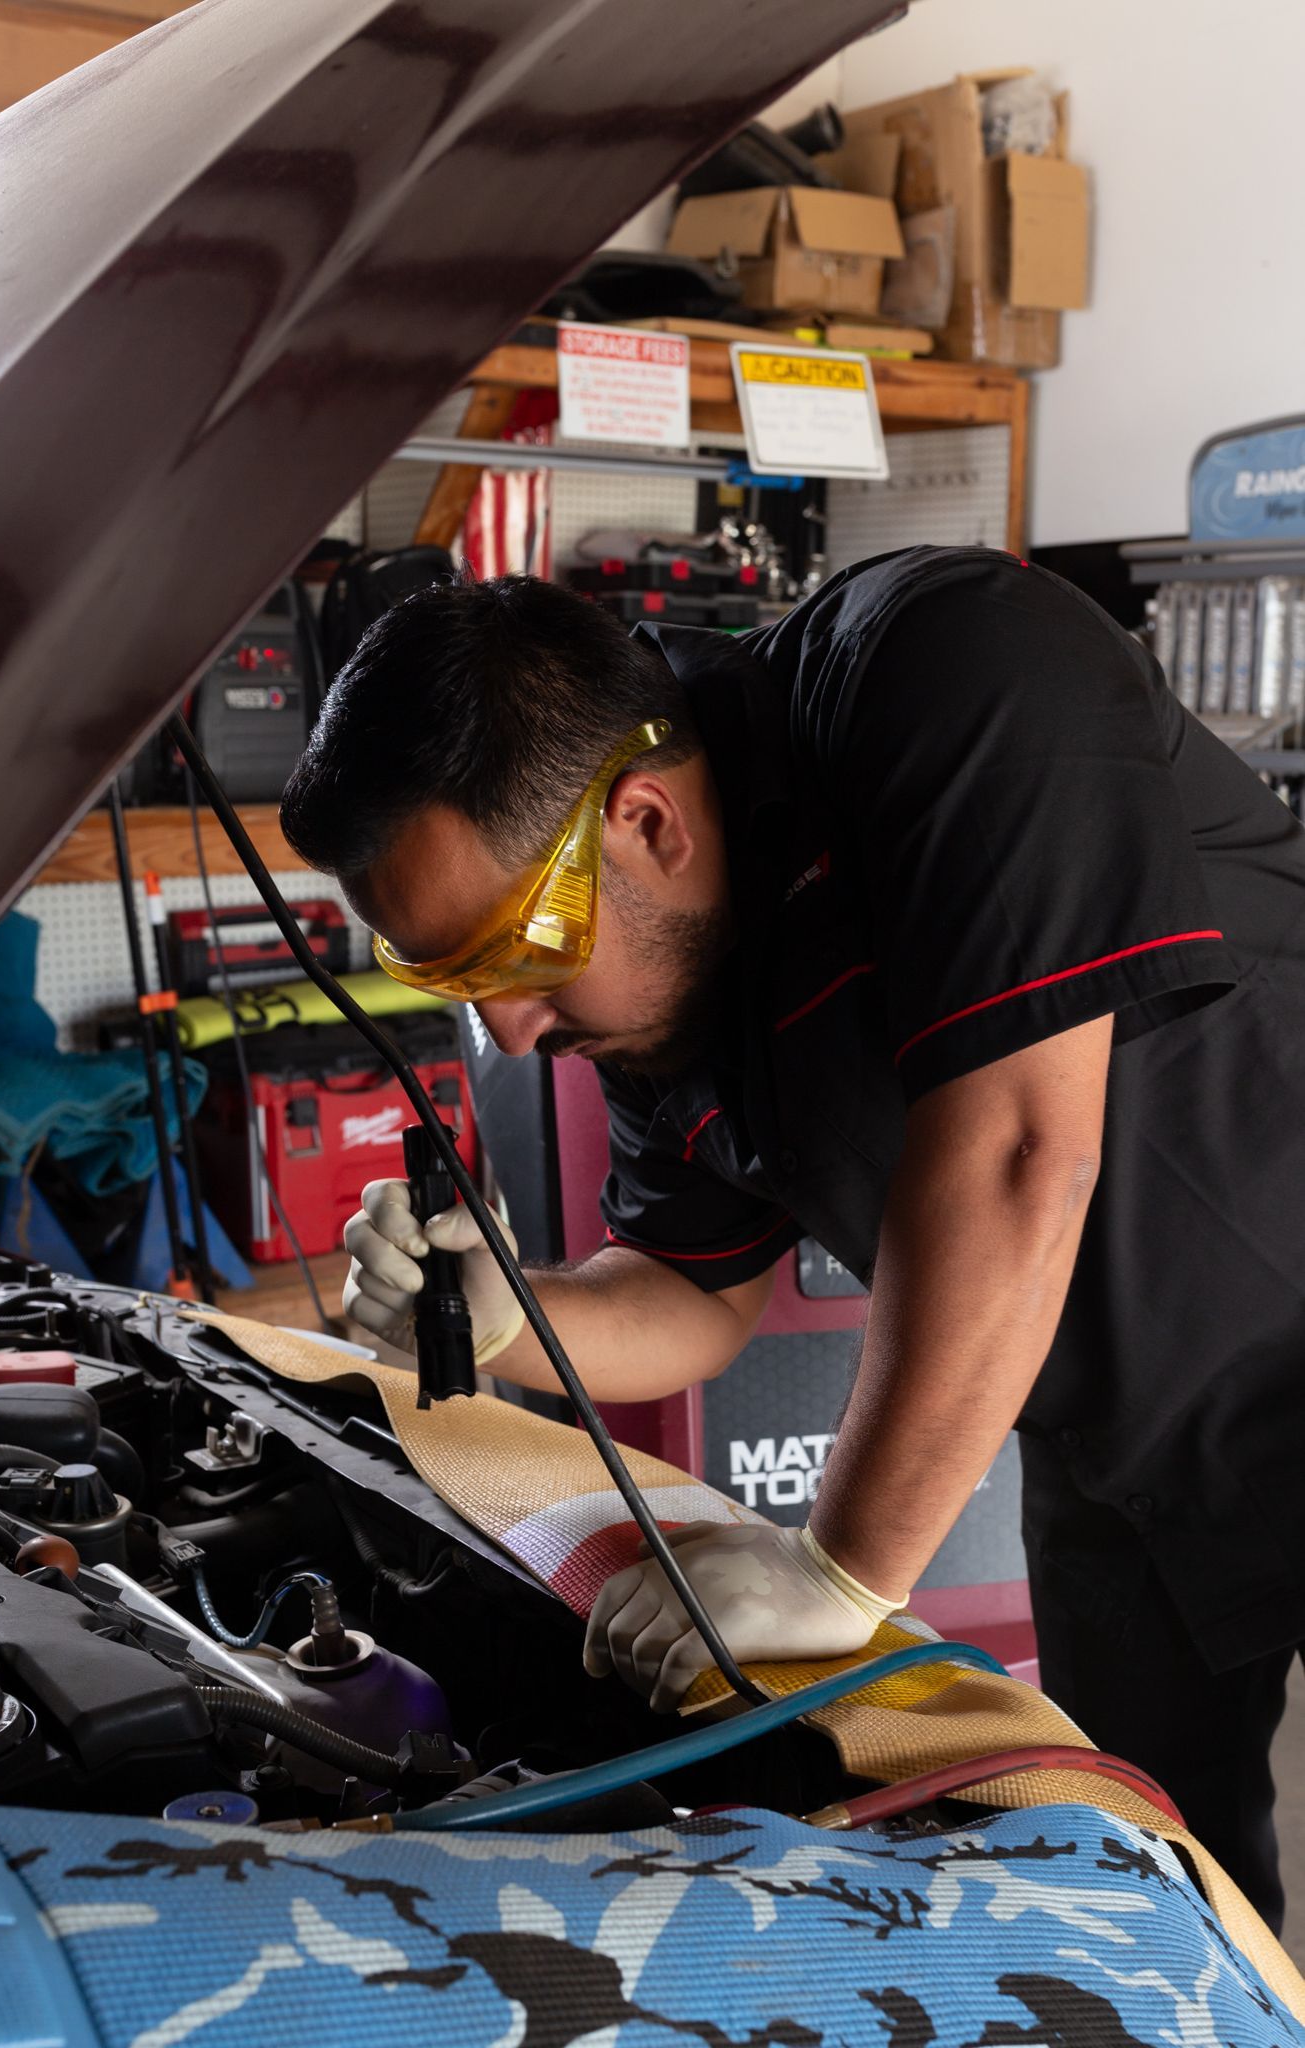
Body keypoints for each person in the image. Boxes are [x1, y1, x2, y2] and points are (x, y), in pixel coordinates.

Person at [280, 547, 1305, 1928]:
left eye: (507, 957)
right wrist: (509, 1311)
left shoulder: (952, 669)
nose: (510, 1032)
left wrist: (838, 1569)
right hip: (1114, 1460)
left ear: (645, 821)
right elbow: (690, 1292)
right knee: (1168, 1897)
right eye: (445, 981)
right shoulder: (662, 990)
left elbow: (1015, 1147)